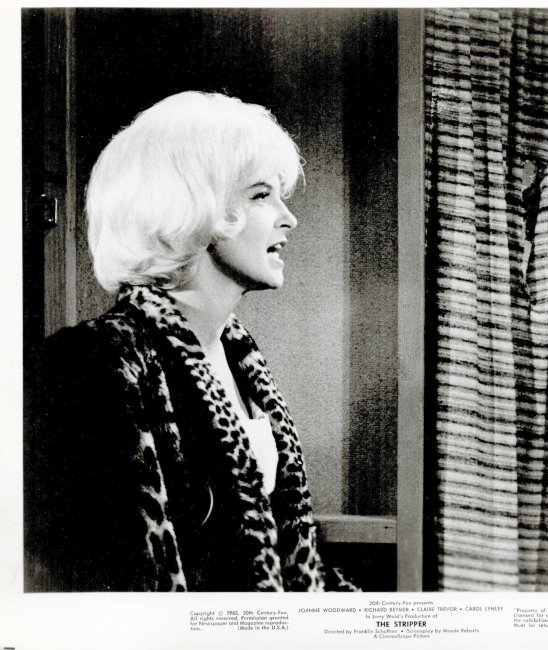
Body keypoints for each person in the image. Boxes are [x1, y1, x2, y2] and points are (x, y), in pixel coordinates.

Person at [27, 91, 357, 592]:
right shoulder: (89, 363)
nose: (288, 217)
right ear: (190, 206)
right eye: (261, 195)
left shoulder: (239, 357)